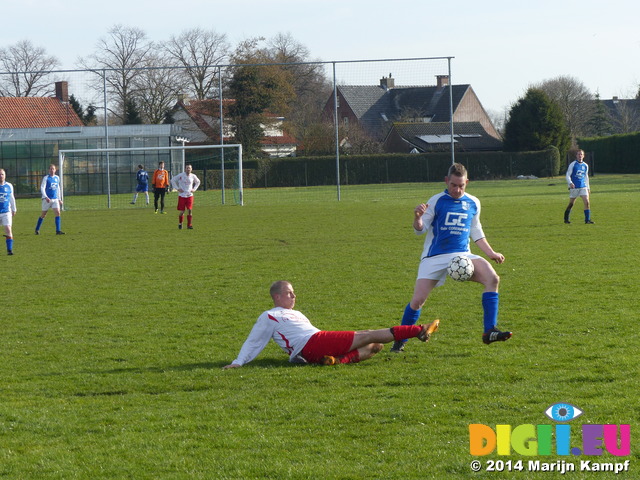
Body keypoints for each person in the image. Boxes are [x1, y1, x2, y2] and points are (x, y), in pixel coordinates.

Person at [391, 162, 511, 352]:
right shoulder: (437, 201)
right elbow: (420, 231)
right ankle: (401, 340)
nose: (457, 189)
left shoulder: (473, 203)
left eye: (461, 185)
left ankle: (489, 331)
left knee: (493, 278)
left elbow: (476, 231)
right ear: (447, 181)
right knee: (417, 301)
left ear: (467, 183)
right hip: (435, 257)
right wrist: (417, 218)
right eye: (453, 185)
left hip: (463, 255)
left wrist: (491, 253)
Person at [223, 281, 440, 368]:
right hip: (311, 343)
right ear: (277, 297)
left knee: (376, 346)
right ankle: (418, 330)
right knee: (367, 334)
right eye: (289, 293)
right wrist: (239, 362)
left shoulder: (295, 313)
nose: (294, 295)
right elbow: (255, 340)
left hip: (314, 345)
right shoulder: (269, 316)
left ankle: (336, 361)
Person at [564, 149, 594, 224]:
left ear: (583, 156)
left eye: (581, 154)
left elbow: (586, 177)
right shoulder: (573, 164)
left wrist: (588, 187)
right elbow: (567, 175)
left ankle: (587, 220)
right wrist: (570, 183)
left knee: (587, 202)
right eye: (578, 154)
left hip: (583, 186)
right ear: (576, 156)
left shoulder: (585, 165)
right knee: (571, 204)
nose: (580, 156)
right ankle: (566, 219)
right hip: (574, 187)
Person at [35, 164, 65, 235]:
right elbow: (42, 188)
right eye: (51, 169)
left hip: (55, 199)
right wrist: (46, 197)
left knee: (57, 212)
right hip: (47, 199)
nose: (52, 170)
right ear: (49, 170)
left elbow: (58, 189)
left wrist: (59, 199)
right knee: (43, 215)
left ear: (55, 170)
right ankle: (37, 229)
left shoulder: (57, 178)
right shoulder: (46, 178)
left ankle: (58, 230)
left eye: (53, 169)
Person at [170, 164, 201, 230]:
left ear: (191, 169)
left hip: (189, 196)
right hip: (182, 196)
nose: (188, 169)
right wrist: (177, 188)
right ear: (185, 169)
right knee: (182, 211)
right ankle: (180, 223)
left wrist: (194, 189)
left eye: (189, 168)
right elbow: (172, 180)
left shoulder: (193, 176)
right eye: (187, 168)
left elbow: (198, 182)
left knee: (189, 210)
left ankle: (189, 225)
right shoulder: (181, 175)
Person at [0, 168, 17, 255]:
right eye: (0, 174)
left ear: (5, 175)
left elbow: (12, 198)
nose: (1, 176)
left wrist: (14, 209)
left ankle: (9, 250)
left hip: (6, 212)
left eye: (2, 174)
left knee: (8, 228)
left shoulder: (9, 186)